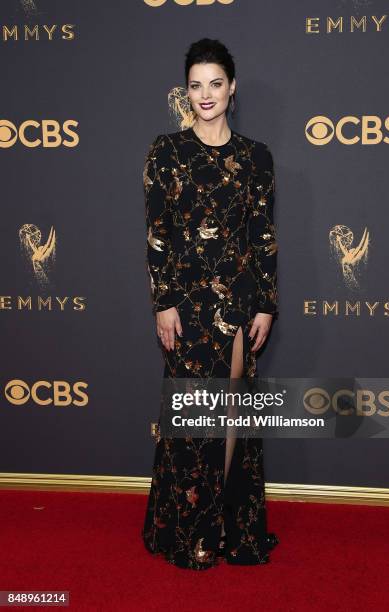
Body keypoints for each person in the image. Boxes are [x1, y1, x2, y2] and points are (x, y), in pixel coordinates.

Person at [141, 38, 279, 570]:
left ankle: (227, 527)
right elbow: (158, 235)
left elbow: (264, 235)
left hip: (240, 305)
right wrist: (165, 301)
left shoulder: (256, 157)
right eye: (195, 85)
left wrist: (266, 302)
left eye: (215, 83)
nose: (205, 95)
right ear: (186, 92)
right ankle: (190, 533)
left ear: (232, 88)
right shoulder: (166, 151)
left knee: (233, 416)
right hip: (187, 306)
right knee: (192, 421)